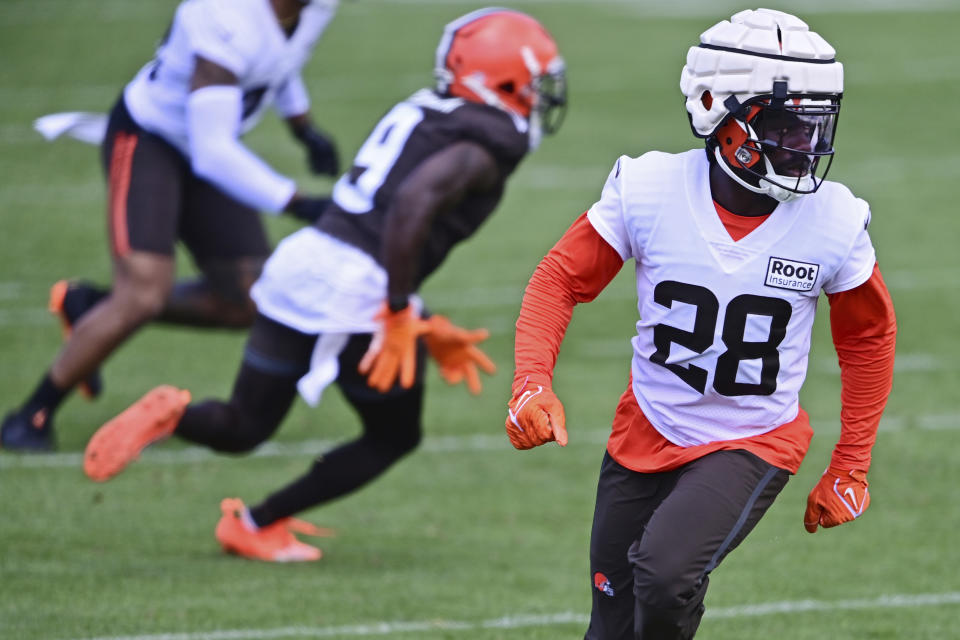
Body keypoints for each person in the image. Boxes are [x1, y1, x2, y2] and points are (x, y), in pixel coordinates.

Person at [81, 8, 569, 563]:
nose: (542, 96)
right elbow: (411, 206)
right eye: (533, 83)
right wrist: (400, 310)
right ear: (497, 81)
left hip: (305, 262)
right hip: (354, 291)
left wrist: (422, 319)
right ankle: (255, 523)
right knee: (393, 436)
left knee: (246, 424)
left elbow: (383, 213)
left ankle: (174, 414)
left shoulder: (434, 111)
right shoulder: (482, 146)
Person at [505, 9, 896, 639]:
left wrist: (851, 463)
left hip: (752, 435)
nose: (805, 144)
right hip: (649, 423)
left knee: (664, 577)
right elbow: (560, 279)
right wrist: (531, 380)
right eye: (785, 123)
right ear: (719, 110)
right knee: (610, 618)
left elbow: (868, 338)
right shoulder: (651, 187)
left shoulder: (835, 221)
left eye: (815, 124)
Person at [1, 0, 341, 451]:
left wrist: (304, 127)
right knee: (143, 290)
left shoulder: (312, 7)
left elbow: (282, 57)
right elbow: (213, 151)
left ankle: (92, 304)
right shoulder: (223, 15)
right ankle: (31, 416)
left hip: (206, 145)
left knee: (248, 297)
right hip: (150, 139)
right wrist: (296, 202)